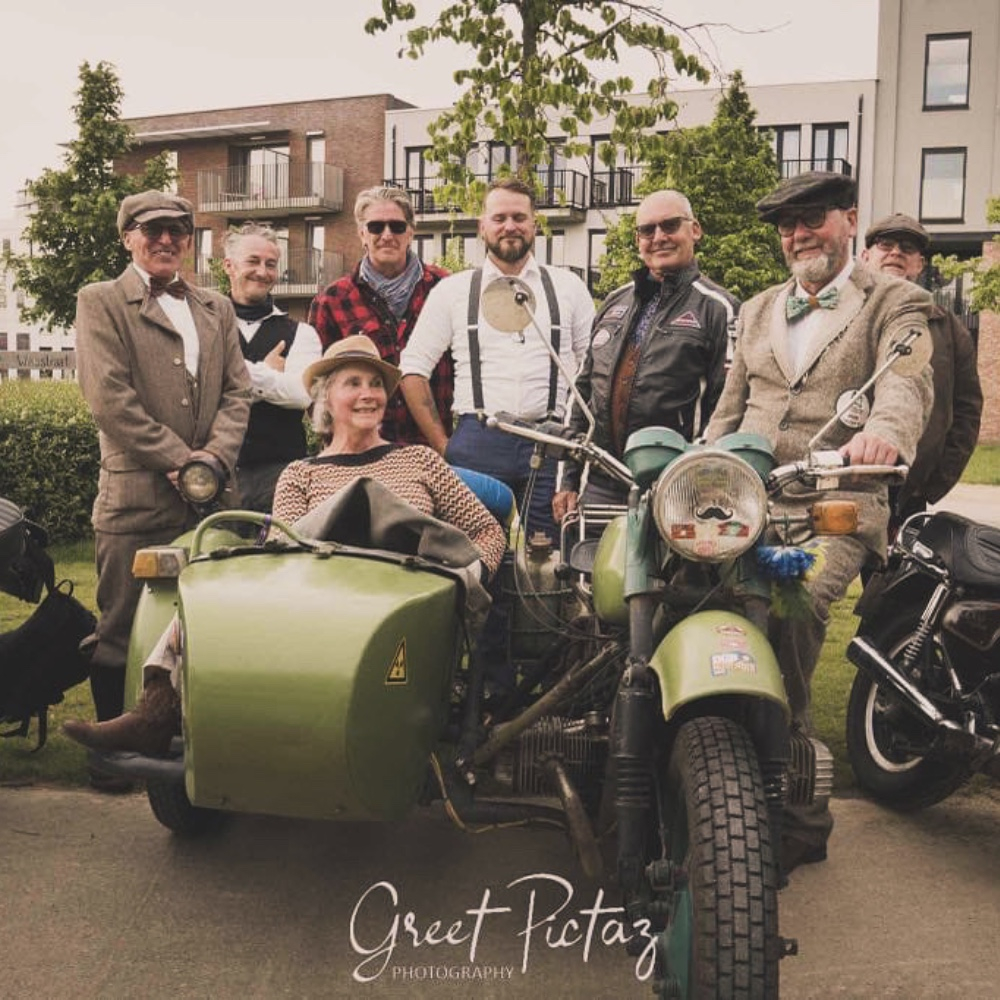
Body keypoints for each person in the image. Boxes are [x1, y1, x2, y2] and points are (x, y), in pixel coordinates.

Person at [62, 336, 506, 757]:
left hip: (404, 607)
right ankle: (156, 713)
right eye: (353, 383)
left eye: (376, 384)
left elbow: (488, 531)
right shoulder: (301, 473)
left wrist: (467, 580)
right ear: (325, 398)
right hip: (320, 608)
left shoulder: (419, 460)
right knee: (209, 586)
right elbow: (281, 554)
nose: (369, 394)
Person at [703, 172, 934, 871]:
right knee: (690, 601)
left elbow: (908, 377)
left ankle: (797, 804)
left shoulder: (894, 299)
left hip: (834, 505)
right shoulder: (756, 308)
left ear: (849, 220)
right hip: (747, 500)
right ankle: (701, 770)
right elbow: (728, 411)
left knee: (789, 606)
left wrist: (885, 433)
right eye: (787, 225)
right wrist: (695, 466)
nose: (798, 235)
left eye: (813, 219)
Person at [72, 191, 250, 789]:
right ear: (128, 237)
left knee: (204, 626)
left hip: (211, 503)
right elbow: (109, 400)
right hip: (136, 500)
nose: (167, 240)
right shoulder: (100, 301)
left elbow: (237, 393)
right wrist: (181, 462)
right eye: (153, 230)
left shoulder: (216, 307)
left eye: (178, 230)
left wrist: (213, 461)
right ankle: (109, 759)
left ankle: (181, 742)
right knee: (121, 625)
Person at [400, 177, 595, 542]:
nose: (510, 226)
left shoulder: (568, 286)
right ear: (482, 226)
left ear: (534, 224)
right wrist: (444, 445)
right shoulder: (453, 291)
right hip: (478, 440)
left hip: (553, 441)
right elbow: (412, 369)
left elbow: (593, 370)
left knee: (552, 556)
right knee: (470, 554)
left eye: (519, 217)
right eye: (499, 217)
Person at [552, 189, 738, 519]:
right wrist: (567, 479)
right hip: (601, 480)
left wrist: (695, 478)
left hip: (675, 484)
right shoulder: (614, 302)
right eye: (647, 230)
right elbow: (581, 395)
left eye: (670, 225)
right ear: (638, 240)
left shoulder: (719, 308)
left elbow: (727, 408)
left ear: (695, 230)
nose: (659, 237)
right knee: (590, 555)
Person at [860, 213, 982, 523]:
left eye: (907, 248)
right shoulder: (841, 314)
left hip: (908, 491)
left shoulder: (949, 329)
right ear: (865, 256)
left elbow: (967, 409)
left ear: (920, 264)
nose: (896, 252)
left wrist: (932, 483)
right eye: (885, 244)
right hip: (840, 484)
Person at [307, 186, 451, 446]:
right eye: (376, 227)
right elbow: (318, 389)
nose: (387, 235)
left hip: (434, 450)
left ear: (411, 232)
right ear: (362, 234)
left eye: (396, 226)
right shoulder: (332, 300)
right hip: (360, 452)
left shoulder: (446, 289)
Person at [223, 223, 322, 511]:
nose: (262, 272)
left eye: (270, 264)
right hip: (218, 473)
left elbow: (301, 395)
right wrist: (268, 374)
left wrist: (230, 375)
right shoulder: (206, 326)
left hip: (283, 477)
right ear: (229, 266)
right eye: (253, 261)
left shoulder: (302, 333)